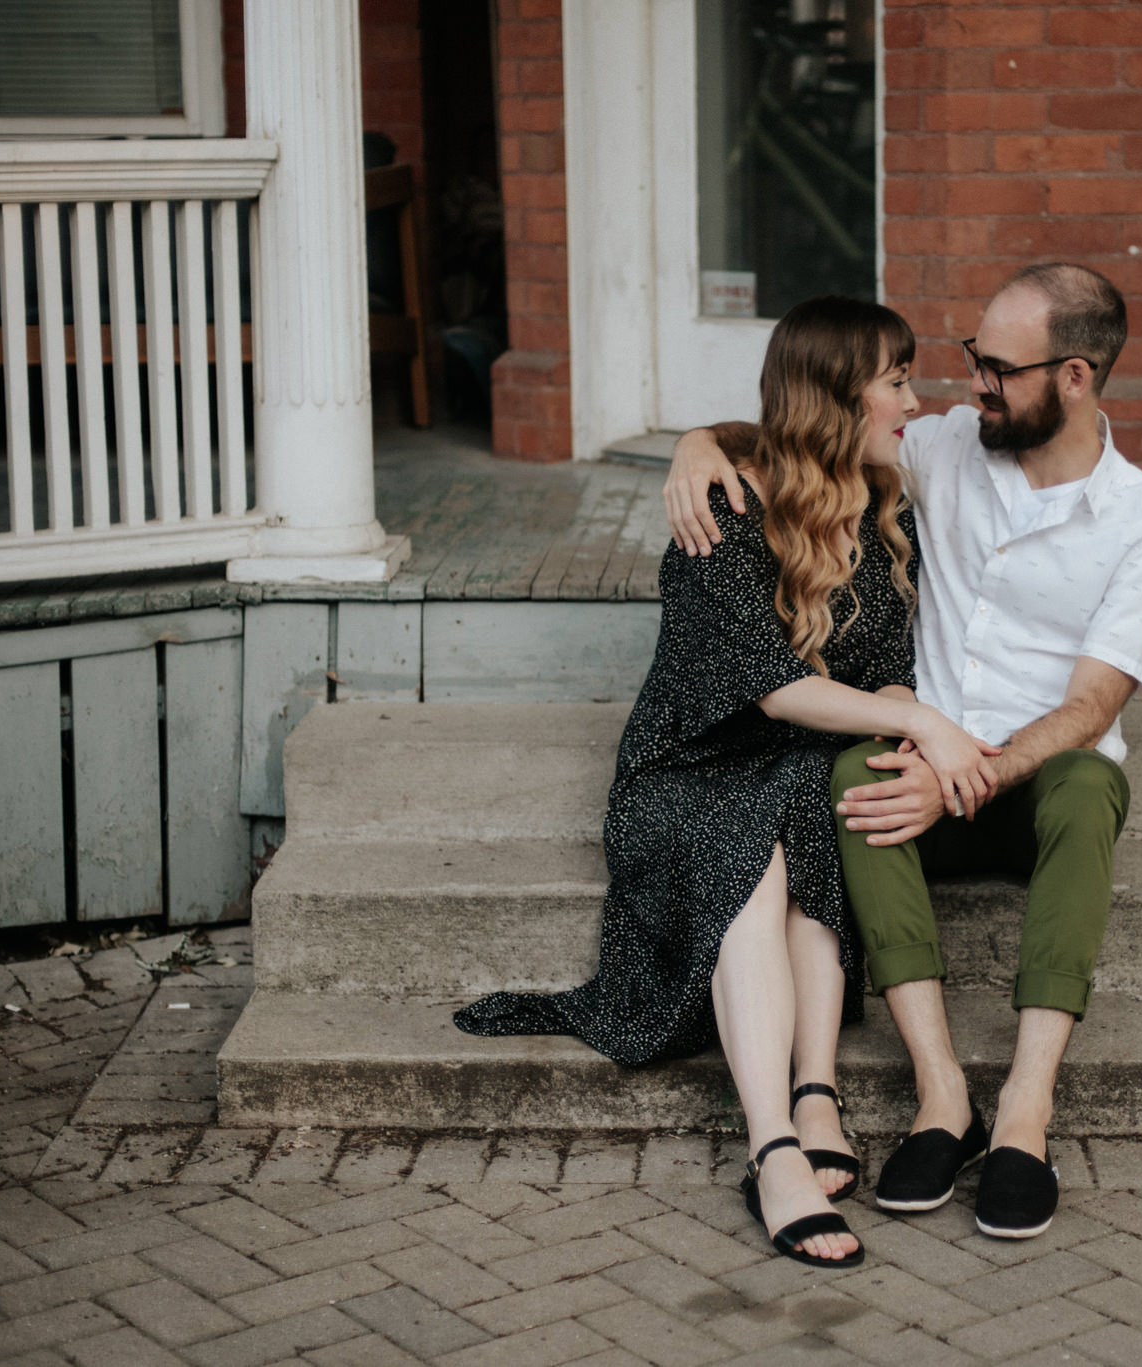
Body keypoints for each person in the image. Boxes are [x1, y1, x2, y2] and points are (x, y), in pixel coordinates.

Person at [456, 296, 1002, 1267]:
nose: (913, 403)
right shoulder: (722, 510)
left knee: (808, 803)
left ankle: (816, 1086)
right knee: (746, 847)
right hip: (689, 769)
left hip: (786, 765)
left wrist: (901, 710)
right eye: (895, 382)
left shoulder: (883, 508)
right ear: (837, 397)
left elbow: (879, 665)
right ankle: (774, 1145)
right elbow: (777, 688)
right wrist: (919, 719)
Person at [665, 263, 1142, 1239]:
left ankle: (1025, 1113)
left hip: (1029, 783)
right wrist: (699, 443)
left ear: (1072, 376)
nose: (969, 385)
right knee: (857, 770)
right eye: (970, 360)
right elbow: (810, 424)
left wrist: (973, 765)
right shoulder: (947, 446)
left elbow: (1089, 706)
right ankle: (942, 1094)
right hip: (920, 772)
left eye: (996, 368)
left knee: (1090, 784)